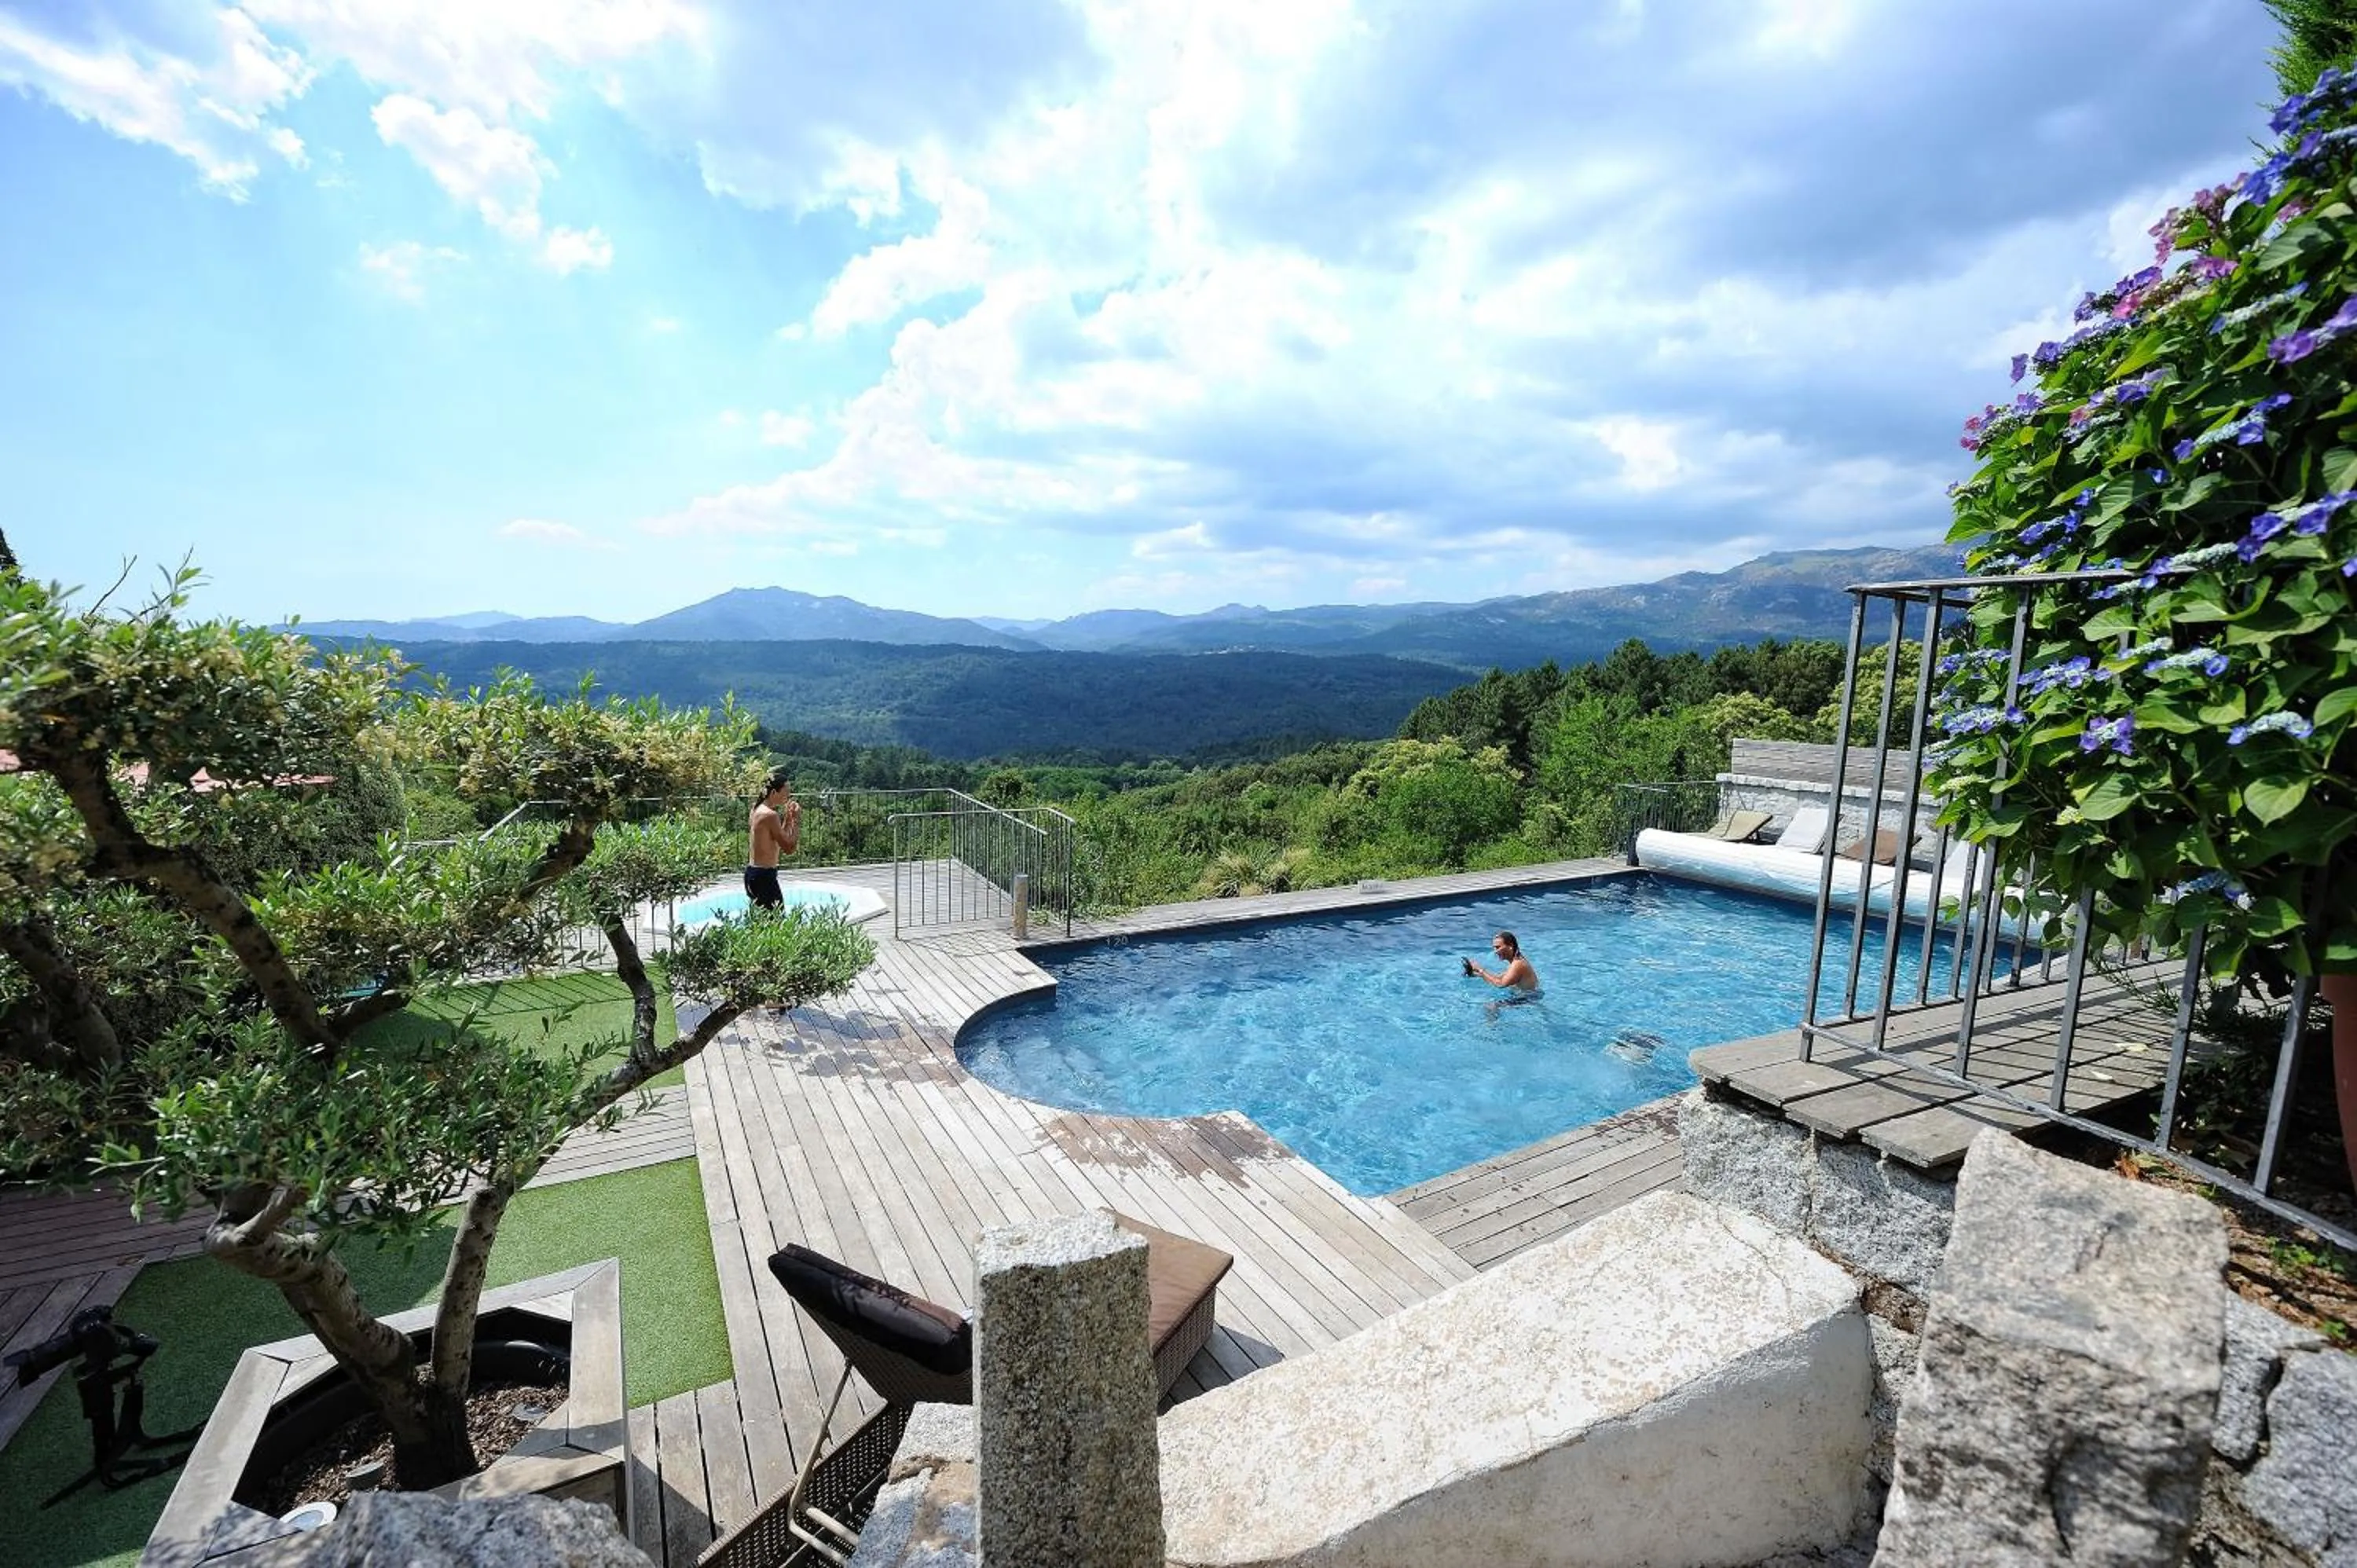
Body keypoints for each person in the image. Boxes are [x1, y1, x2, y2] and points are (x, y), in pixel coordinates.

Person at [746, 769, 801, 910]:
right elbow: (789, 848)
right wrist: (796, 820)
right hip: (764, 877)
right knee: (776, 919)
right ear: (774, 792)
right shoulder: (770, 815)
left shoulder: (756, 809)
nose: (788, 796)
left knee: (761, 919)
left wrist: (788, 820)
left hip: (753, 874)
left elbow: (777, 839)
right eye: (786, 792)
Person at [1464, 930, 1541, 999]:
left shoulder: (1518, 964)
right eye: (1494, 948)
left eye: (1498, 947)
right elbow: (1498, 978)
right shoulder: (1516, 960)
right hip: (1524, 996)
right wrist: (1475, 973)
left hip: (1529, 999)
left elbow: (1501, 984)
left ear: (1510, 946)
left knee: (1491, 1006)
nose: (1495, 951)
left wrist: (1481, 970)